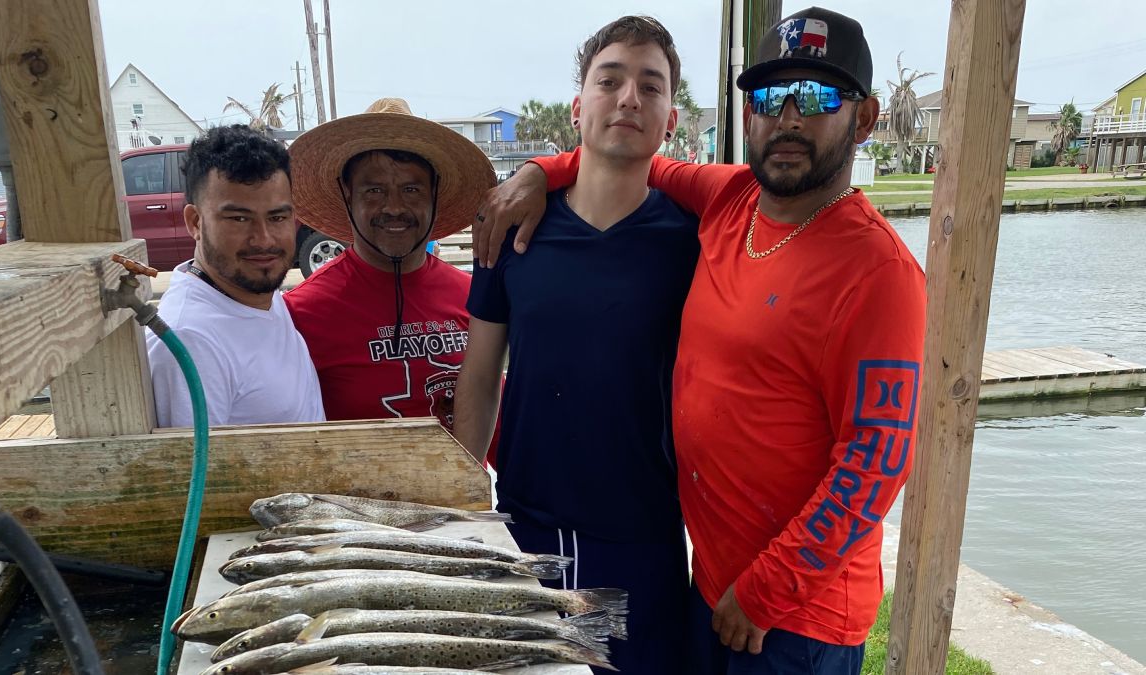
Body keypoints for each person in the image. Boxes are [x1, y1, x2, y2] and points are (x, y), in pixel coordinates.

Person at [473, 8, 927, 674]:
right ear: (749, 115)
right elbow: (624, 153)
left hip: (794, 618)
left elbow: (877, 460)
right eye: (772, 96)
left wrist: (767, 591)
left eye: (819, 96)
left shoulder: (878, 270)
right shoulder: (730, 199)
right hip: (710, 586)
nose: (791, 117)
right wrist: (543, 171)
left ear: (862, 118)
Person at [453, 16, 699, 674]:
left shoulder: (695, 239)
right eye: (610, 80)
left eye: (651, 86)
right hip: (530, 525)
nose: (628, 98)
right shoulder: (511, 228)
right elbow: (479, 376)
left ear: (669, 120)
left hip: (643, 530)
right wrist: (461, 498)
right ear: (577, 106)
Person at [283, 99, 495, 433]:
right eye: (374, 190)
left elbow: (498, 431)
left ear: (434, 196)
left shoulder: (476, 299)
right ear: (348, 195)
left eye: (411, 189)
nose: (394, 207)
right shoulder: (299, 313)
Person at [147, 124, 325, 427]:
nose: (264, 239)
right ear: (195, 222)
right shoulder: (192, 340)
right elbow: (197, 473)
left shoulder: (255, 294)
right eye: (239, 218)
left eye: (278, 217)